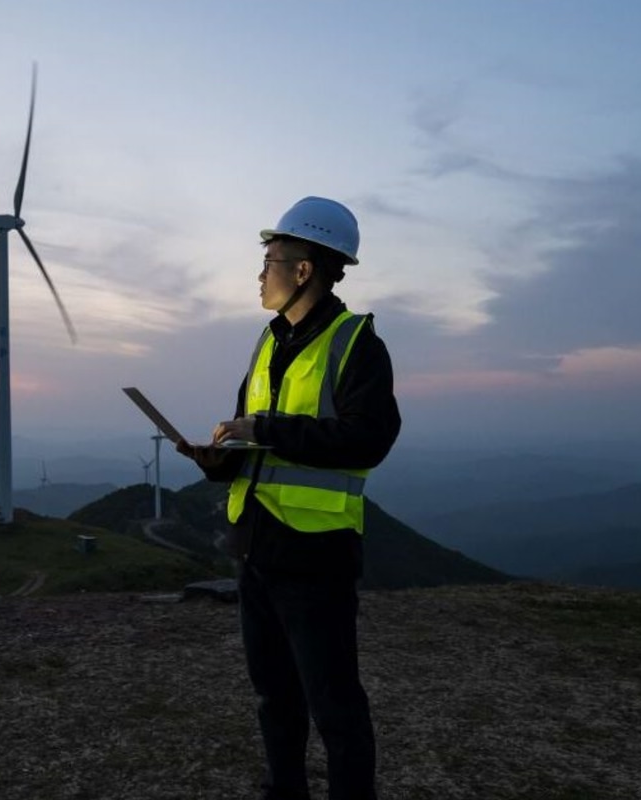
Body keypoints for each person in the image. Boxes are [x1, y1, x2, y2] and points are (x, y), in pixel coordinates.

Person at [178, 196, 401, 800]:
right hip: (255, 549)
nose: (260, 273)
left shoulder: (355, 343)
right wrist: (219, 460)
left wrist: (264, 430)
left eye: (269, 259)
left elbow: (368, 438)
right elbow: (255, 435)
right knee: (273, 696)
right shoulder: (268, 343)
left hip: (315, 555)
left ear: (303, 270)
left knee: (334, 704)